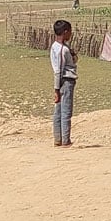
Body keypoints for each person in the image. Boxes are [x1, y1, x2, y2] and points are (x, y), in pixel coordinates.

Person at [50, 19, 78, 147]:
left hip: (61, 81)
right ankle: (66, 140)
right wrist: (57, 89)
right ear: (65, 32)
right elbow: (58, 70)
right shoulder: (63, 50)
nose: (71, 34)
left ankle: (58, 139)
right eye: (70, 32)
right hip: (65, 81)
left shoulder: (55, 47)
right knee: (66, 111)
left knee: (58, 111)